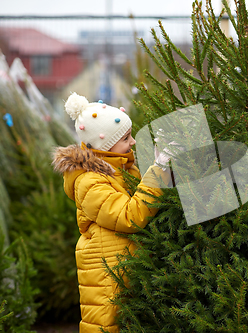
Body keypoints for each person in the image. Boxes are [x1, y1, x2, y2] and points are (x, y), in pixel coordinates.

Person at [52, 93, 171, 333]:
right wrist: (159, 170)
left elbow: (140, 189)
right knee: (106, 327)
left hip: (124, 270)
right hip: (108, 278)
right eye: (126, 137)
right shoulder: (90, 183)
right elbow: (130, 216)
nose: (133, 142)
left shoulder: (120, 169)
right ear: (106, 146)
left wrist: (160, 159)